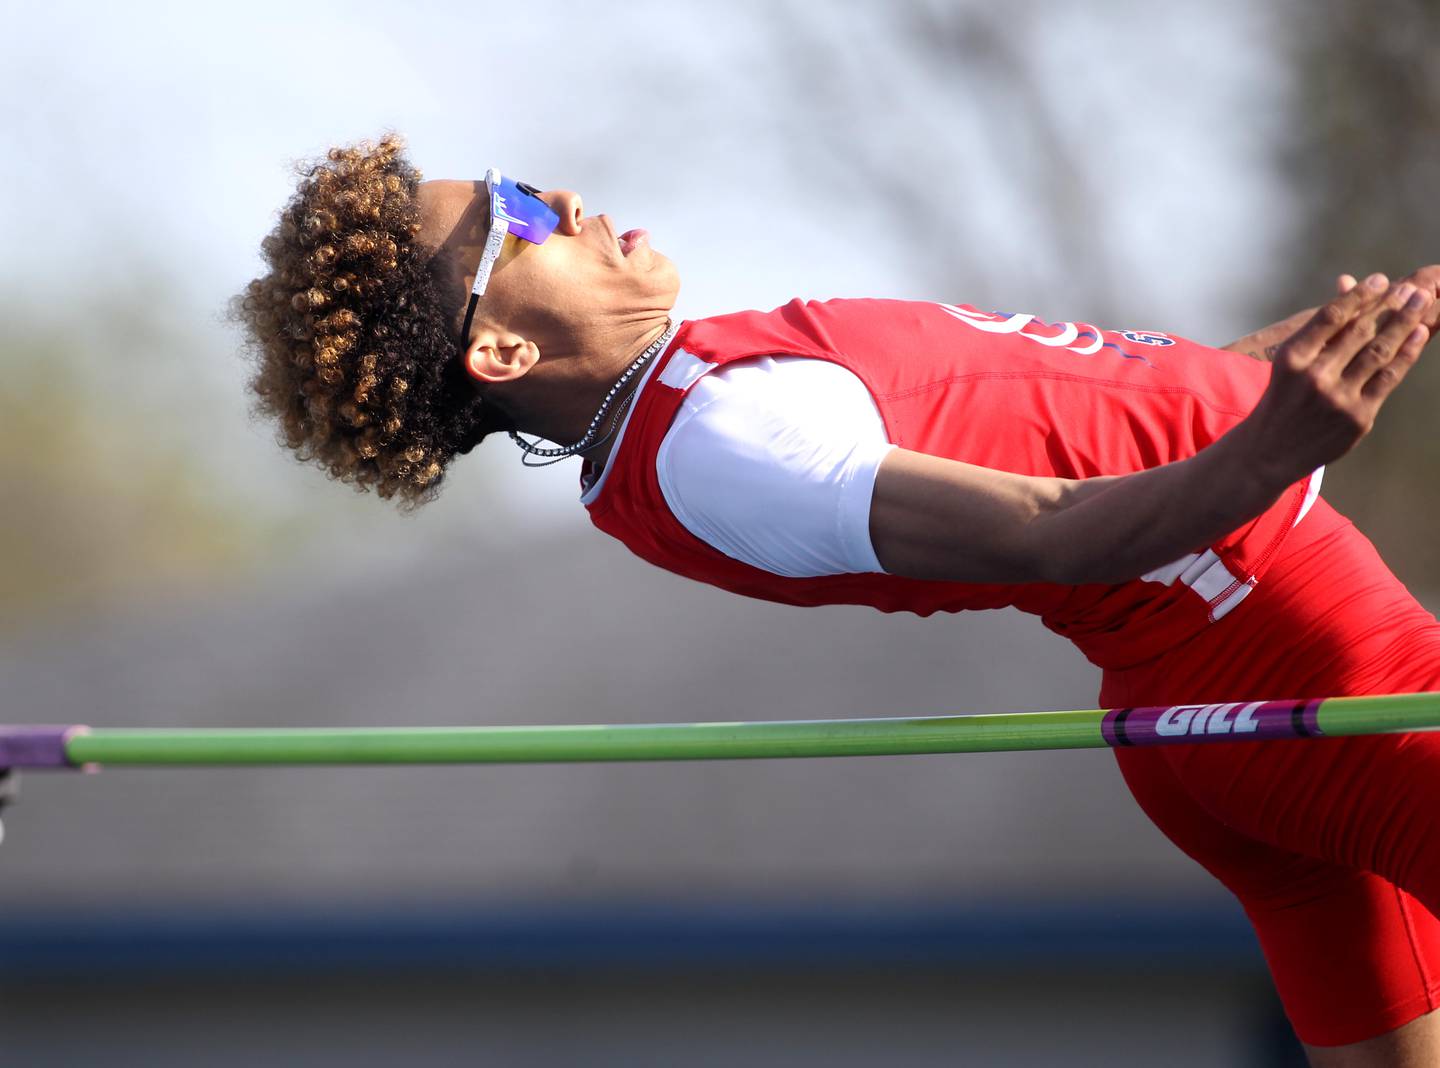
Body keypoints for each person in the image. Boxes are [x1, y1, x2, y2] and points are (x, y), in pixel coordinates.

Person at [235, 135, 1440, 1067]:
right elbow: (1053, 537)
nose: (561, 197)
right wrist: (1268, 443)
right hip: (1292, 661)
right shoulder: (718, 437)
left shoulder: (690, 411)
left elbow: (1065, 437)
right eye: (517, 216)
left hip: (1223, 684)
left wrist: (1228, 387)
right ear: (496, 353)